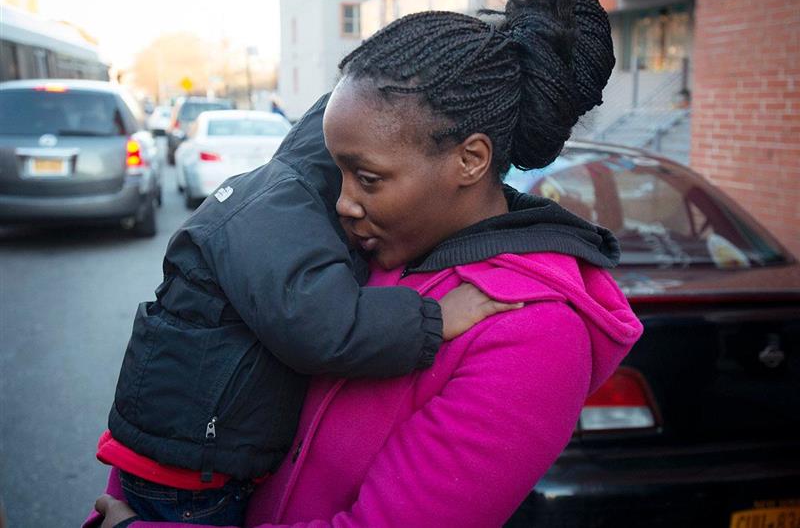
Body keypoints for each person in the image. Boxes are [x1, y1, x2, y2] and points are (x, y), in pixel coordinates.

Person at [90, 0, 643, 528]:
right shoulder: (369, 241)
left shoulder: (533, 334)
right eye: (339, 171)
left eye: (368, 178)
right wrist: (134, 494)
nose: (343, 202)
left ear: (471, 160)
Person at [93, 83, 519, 522]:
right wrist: (433, 318)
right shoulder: (281, 214)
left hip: (184, 453)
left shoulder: (283, 197)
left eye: (367, 180)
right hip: (187, 473)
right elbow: (325, 327)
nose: (350, 203)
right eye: (358, 177)